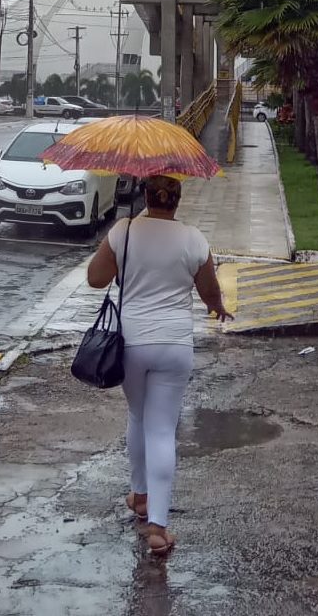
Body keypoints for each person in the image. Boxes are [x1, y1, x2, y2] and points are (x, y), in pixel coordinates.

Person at [87, 175, 233, 556]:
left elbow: (95, 278)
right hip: (175, 345)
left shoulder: (126, 230)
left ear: (146, 196)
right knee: (162, 430)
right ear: (178, 200)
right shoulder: (193, 239)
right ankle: (157, 527)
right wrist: (216, 308)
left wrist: (127, 262)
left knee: (137, 416)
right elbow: (209, 289)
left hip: (132, 344)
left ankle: (139, 496)